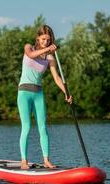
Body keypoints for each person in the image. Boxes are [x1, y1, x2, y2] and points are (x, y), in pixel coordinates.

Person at [17, 25, 73, 169]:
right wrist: (48, 49)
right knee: (27, 127)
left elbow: (57, 78)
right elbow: (31, 55)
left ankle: (46, 160)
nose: (46, 42)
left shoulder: (49, 57)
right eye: (43, 39)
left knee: (43, 128)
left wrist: (66, 93)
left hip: (38, 94)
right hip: (24, 92)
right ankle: (24, 161)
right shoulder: (28, 47)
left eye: (48, 40)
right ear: (38, 38)